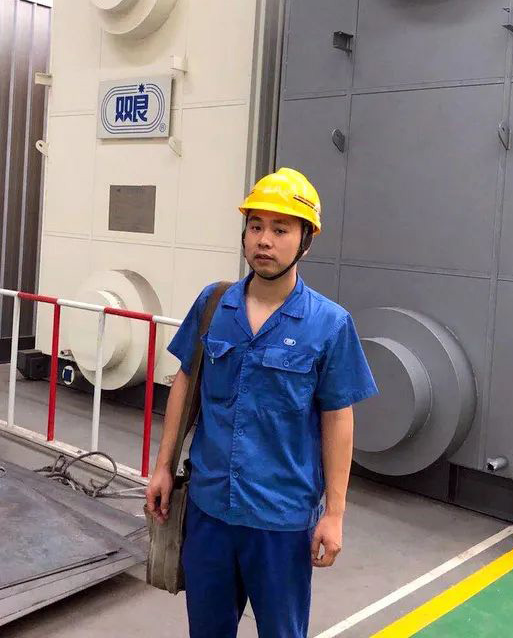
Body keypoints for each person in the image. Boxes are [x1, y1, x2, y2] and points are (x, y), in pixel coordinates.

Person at [146, 168, 378, 638]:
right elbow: (185, 383)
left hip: (281, 522)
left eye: (280, 229)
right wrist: (163, 466)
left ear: (306, 241)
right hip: (210, 510)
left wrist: (334, 514)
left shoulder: (330, 324)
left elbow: (338, 419)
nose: (264, 241)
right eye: (256, 226)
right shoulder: (214, 305)